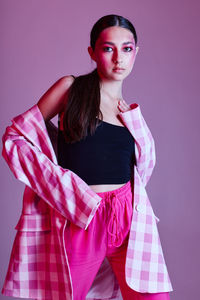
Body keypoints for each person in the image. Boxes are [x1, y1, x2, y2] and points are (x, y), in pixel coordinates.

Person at [1, 15, 172, 300]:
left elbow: (141, 171)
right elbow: (15, 137)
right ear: (92, 52)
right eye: (108, 48)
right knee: (68, 294)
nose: (119, 58)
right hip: (82, 217)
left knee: (153, 296)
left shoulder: (130, 114)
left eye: (127, 49)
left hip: (127, 217)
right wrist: (61, 185)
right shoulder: (71, 89)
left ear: (136, 53)